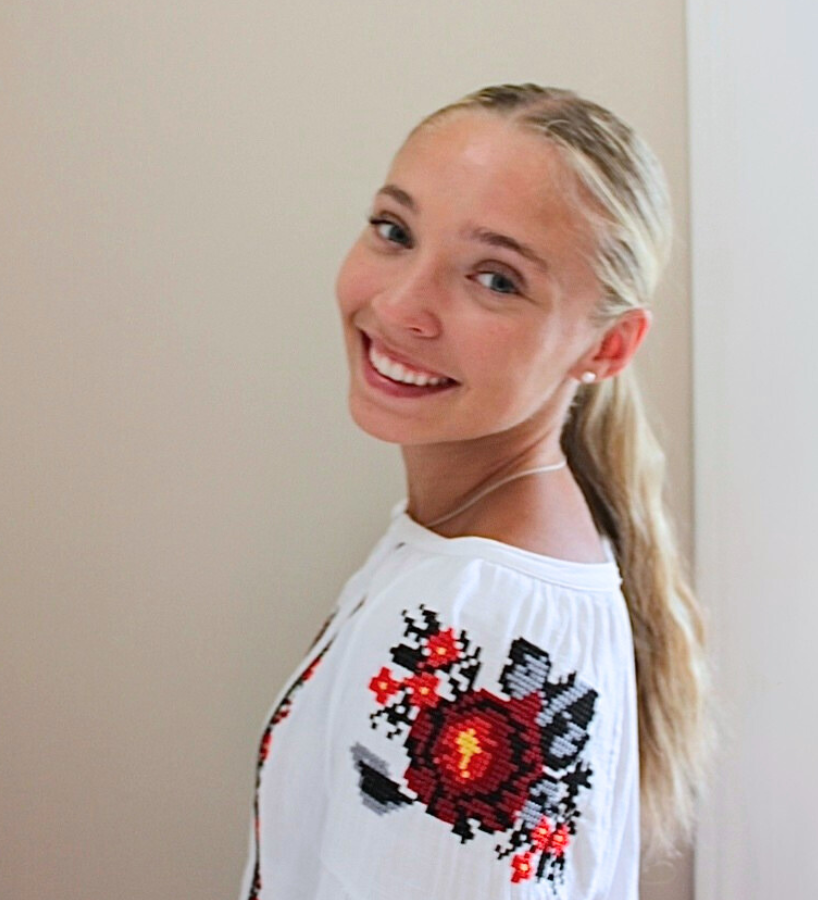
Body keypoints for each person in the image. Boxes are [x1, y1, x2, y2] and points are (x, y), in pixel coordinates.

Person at [239, 83, 716, 900]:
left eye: (495, 279)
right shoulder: (468, 556)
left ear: (608, 346)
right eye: (395, 231)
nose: (400, 306)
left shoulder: (480, 625)